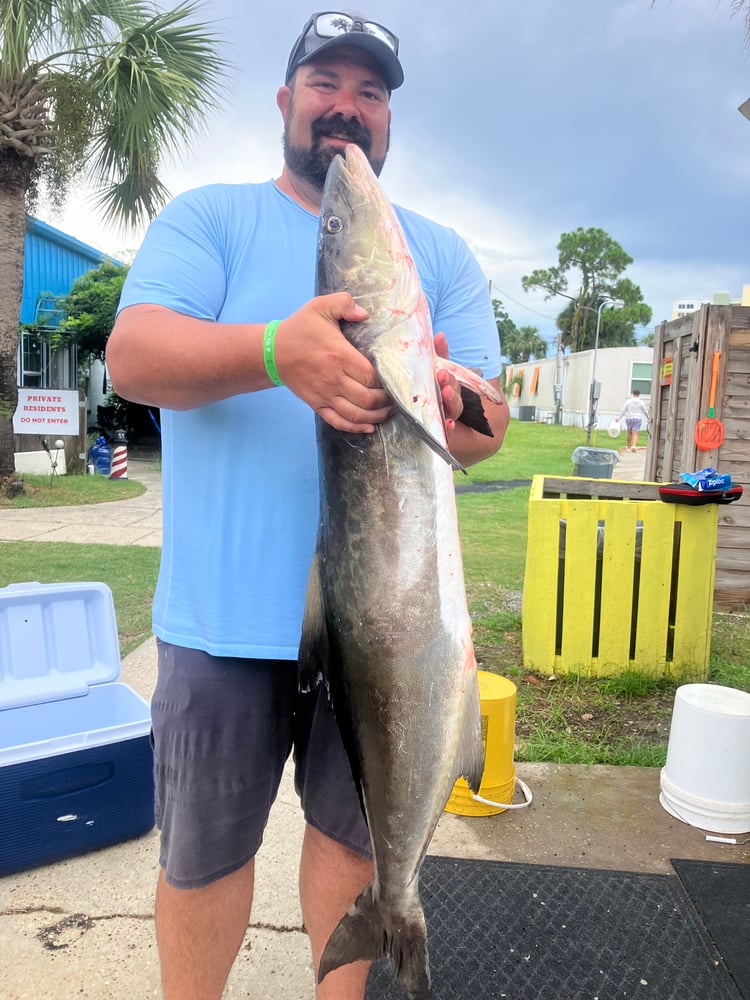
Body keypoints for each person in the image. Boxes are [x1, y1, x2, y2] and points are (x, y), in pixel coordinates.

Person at [106, 10, 507, 1000]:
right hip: (220, 623)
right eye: (326, 83)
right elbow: (135, 356)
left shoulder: (441, 254)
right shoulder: (209, 219)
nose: (347, 107)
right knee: (201, 860)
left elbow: (484, 426)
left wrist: (444, 395)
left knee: (349, 842)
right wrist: (279, 350)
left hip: (387, 629)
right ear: (286, 102)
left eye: (370, 92)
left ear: (388, 122)